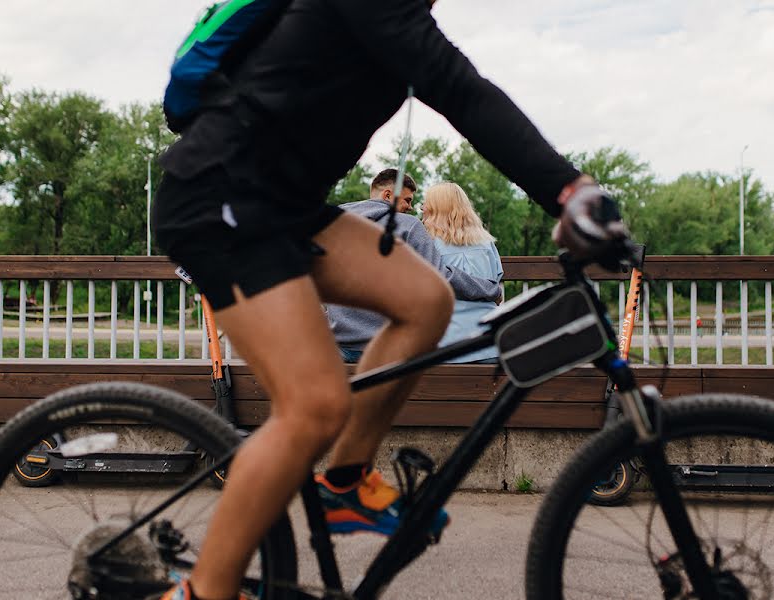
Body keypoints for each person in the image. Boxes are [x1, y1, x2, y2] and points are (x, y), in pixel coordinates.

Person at [153, 1, 625, 597]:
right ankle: (202, 593)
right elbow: (462, 92)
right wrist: (569, 191)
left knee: (425, 299)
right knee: (313, 406)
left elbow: (456, 86)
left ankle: (345, 484)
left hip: (283, 206)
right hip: (219, 200)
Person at [328, 170, 502, 363]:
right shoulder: (409, 226)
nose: (412, 208)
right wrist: (491, 290)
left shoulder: (334, 220)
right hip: (385, 347)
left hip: (339, 343)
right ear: (388, 196)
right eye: (408, 201)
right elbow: (442, 276)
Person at [422, 182, 503, 364]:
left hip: (445, 345)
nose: (423, 208)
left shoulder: (428, 244)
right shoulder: (486, 241)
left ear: (436, 208)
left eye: (425, 204)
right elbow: (497, 288)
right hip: (488, 344)